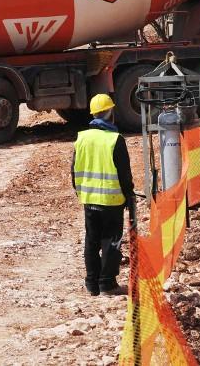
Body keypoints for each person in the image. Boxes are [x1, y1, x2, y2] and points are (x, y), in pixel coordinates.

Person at [72, 94, 135, 296]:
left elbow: (74, 170)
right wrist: (129, 195)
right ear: (110, 113)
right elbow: (124, 173)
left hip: (89, 199)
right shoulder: (115, 139)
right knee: (110, 240)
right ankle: (107, 284)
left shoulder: (81, 138)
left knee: (92, 240)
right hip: (111, 200)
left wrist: (80, 191)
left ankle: (92, 283)